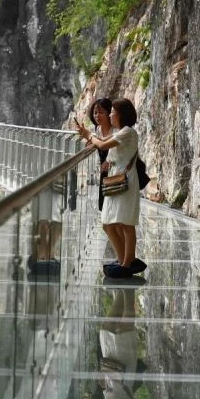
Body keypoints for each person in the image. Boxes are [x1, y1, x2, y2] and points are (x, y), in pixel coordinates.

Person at [85, 98, 146, 278]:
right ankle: (123, 260)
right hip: (116, 180)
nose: (110, 114)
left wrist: (89, 136)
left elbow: (102, 144)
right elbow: (105, 142)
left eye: (112, 112)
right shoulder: (121, 132)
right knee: (110, 223)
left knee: (126, 224)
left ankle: (127, 264)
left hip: (125, 181)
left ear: (120, 115)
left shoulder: (127, 132)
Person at [79, 97, 113, 210]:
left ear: (109, 113)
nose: (97, 115)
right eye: (95, 112)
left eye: (101, 112)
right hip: (104, 173)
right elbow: (98, 143)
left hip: (115, 172)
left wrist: (90, 137)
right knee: (104, 208)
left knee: (113, 210)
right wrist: (91, 142)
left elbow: (104, 144)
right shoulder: (98, 129)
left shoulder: (116, 130)